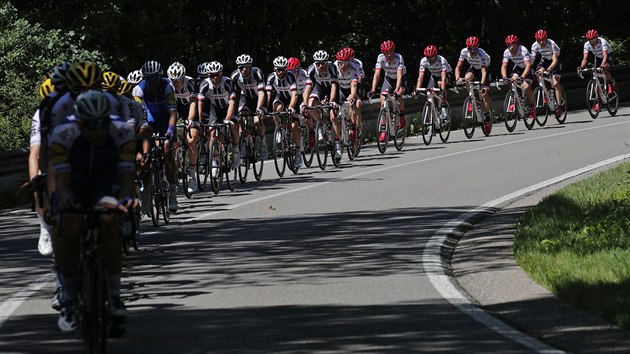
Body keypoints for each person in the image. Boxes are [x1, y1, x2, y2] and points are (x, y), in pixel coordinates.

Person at [50, 90, 137, 334]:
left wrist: (127, 199)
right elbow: (62, 182)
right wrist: (66, 200)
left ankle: (115, 296)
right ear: (79, 122)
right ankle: (68, 295)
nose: (98, 130)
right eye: (91, 125)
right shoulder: (63, 134)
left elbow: (126, 177)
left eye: (103, 124)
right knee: (70, 227)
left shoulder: (121, 132)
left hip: (105, 179)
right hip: (75, 180)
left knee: (109, 222)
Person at [132, 60, 179, 212]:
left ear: (160, 77)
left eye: (155, 79)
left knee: (166, 150)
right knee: (144, 144)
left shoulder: (167, 86)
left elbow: (173, 111)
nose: (152, 82)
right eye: (149, 79)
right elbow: (138, 115)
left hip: (166, 119)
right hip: (149, 119)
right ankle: (146, 184)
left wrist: (171, 130)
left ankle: (172, 193)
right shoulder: (138, 90)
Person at [197, 61, 240, 176]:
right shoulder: (204, 84)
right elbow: (200, 103)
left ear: (221, 74)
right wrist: (199, 119)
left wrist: (227, 119)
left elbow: (232, 102)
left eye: (217, 75)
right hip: (215, 108)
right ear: (208, 75)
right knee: (213, 133)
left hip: (229, 108)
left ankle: (236, 151)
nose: (215, 77)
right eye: (212, 75)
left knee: (234, 126)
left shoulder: (227, 82)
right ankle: (215, 159)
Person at [302, 50, 342, 160]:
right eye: (318, 63)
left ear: (326, 62)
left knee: (333, 116)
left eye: (322, 63)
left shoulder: (332, 67)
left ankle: (337, 144)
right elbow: (308, 88)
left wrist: (332, 101)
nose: (320, 66)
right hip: (319, 87)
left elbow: (334, 86)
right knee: (310, 105)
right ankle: (320, 123)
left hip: (331, 89)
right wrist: (305, 103)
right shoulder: (311, 68)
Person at [167, 62, 199, 193]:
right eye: (173, 81)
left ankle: (192, 174)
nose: (175, 84)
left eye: (178, 81)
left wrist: (190, 120)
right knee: (170, 141)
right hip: (176, 109)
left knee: (191, 140)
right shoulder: (168, 85)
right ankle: (175, 167)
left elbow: (193, 104)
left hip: (190, 110)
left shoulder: (191, 83)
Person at [266, 56, 303, 168]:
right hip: (280, 97)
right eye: (278, 70)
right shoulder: (271, 77)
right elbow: (268, 95)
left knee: (294, 125)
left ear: (286, 69)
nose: (280, 72)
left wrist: (291, 107)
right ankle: (279, 128)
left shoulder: (290, 76)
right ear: (274, 69)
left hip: (292, 98)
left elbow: (294, 95)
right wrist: (265, 108)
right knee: (275, 109)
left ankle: (298, 153)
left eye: (283, 69)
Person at [368, 40, 407, 143]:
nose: (389, 55)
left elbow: (399, 75)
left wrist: (397, 88)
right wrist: (373, 89)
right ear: (383, 52)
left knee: (399, 95)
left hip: (400, 78)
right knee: (382, 101)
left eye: (391, 52)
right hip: (389, 78)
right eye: (386, 53)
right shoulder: (380, 58)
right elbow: (377, 75)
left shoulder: (399, 57)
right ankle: (384, 130)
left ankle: (401, 116)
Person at [230, 54, 268, 161]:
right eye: (241, 67)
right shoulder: (235, 76)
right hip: (245, 97)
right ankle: (243, 143)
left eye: (246, 67)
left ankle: (262, 143)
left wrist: (259, 108)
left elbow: (261, 93)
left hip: (258, 98)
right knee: (241, 116)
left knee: (257, 120)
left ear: (250, 66)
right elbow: (234, 96)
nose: (244, 69)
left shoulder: (257, 73)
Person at [454, 36, 493, 126]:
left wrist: (482, 85)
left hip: (485, 69)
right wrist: (457, 78)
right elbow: (458, 67)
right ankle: (473, 99)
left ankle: (487, 117)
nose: (472, 51)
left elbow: (483, 72)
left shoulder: (482, 54)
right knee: (466, 78)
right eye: (469, 49)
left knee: (484, 93)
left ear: (478, 46)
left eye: (474, 48)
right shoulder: (464, 52)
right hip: (474, 68)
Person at [530, 29, 565, 117]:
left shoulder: (551, 44)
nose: (541, 42)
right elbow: (532, 61)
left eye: (543, 40)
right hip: (545, 59)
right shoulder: (534, 46)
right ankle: (543, 90)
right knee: (538, 72)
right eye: (539, 40)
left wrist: (549, 68)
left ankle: (559, 107)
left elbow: (555, 60)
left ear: (546, 38)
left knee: (555, 83)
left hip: (555, 60)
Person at [501, 34, 536, 119]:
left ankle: (532, 107)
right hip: (518, 67)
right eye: (509, 45)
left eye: (512, 45)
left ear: (517, 44)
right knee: (512, 80)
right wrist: (504, 76)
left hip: (528, 67)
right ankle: (515, 98)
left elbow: (528, 65)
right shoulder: (506, 52)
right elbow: (504, 66)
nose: (511, 48)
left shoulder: (523, 50)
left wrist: (523, 77)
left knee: (526, 87)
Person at [415, 44, 453, 118]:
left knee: (440, 83)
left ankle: (444, 104)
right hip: (434, 75)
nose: (429, 59)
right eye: (428, 57)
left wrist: (442, 90)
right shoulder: (423, 61)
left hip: (446, 74)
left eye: (431, 57)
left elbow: (443, 75)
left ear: (435, 55)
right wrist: (417, 89)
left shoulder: (441, 60)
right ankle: (430, 120)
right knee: (429, 94)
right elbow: (420, 76)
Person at [578, 29, 616, 98]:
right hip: (598, 57)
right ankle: (598, 101)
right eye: (590, 40)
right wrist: (581, 67)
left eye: (593, 40)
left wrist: (603, 64)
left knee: (605, 68)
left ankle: (610, 84)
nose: (592, 42)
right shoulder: (586, 45)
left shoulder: (602, 42)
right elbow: (585, 58)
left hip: (608, 55)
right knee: (596, 78)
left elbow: (605, 55)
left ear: (597, 38)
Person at [333, 48, 361, 143]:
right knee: (335, 106)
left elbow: (354, 85)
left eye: (345, 63)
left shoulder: (354, 67)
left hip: (351, 88)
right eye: (340, 63)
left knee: (356, 104)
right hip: (341, 89)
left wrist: (352, 95)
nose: (342, 66)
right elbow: (332, 85)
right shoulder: (334, 66)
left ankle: (354, 127)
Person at [288, 56, 316, 149]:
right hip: (292, 96)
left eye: (294, 71)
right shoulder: (287, 76)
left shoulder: (304, 74)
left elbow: (307, 89)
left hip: (303, 94)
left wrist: (305, 102)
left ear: (299, 69)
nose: (293, 74)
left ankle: (311, 131)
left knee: (305, 111)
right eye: (290, 72)